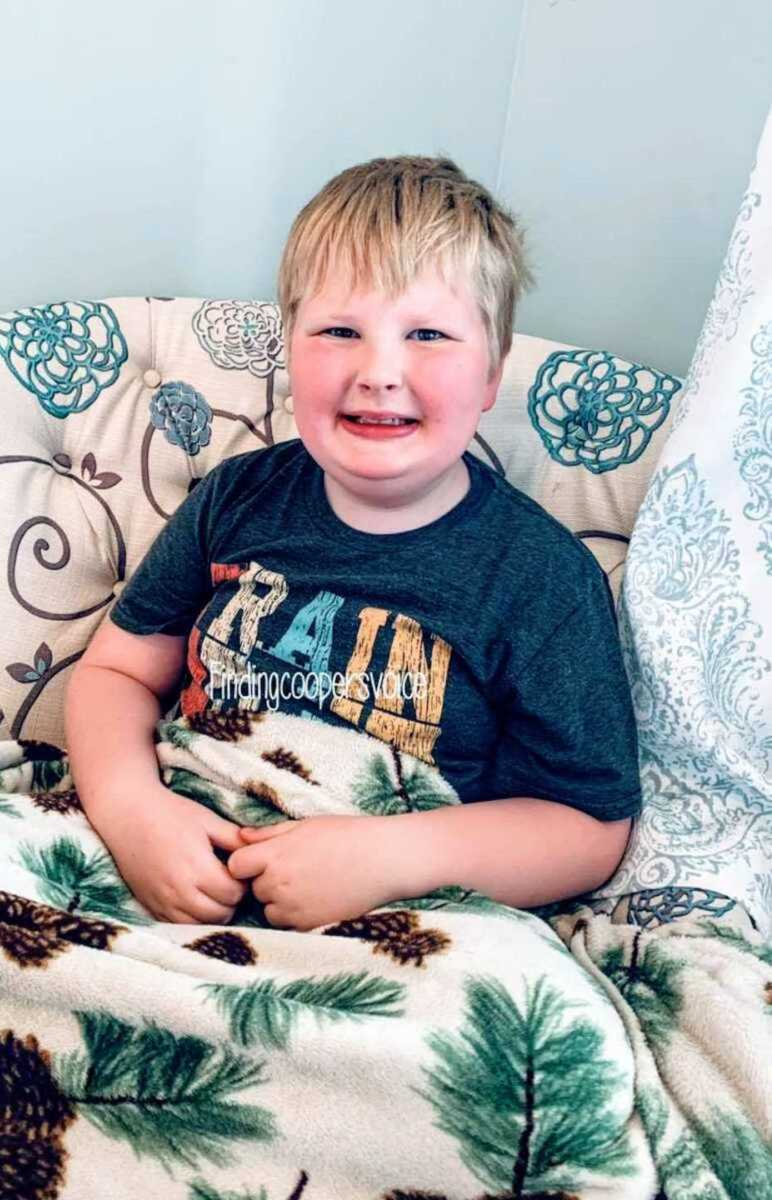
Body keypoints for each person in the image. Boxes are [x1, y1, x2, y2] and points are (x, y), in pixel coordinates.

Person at [64, 155, 642, 932]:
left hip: (389, 912)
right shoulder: (238, 498)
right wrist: (132, 811)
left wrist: (389, 860)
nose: (380, 371)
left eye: (428, 334)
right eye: (340, 331)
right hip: (176, 846)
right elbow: (116, 671)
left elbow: (587, 827)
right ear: (290, 352)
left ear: (492, 376)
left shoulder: (538, 577)